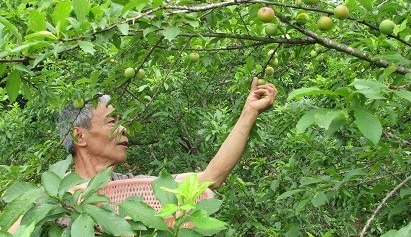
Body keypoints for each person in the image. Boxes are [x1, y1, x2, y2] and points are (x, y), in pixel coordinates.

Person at [58, 76, 277, 189]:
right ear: (79, 136)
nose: (122, 128)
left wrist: (249, 112)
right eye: (111, 121)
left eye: (121, 121)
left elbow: (210, 178)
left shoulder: (132, 189)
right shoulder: (51, 200)